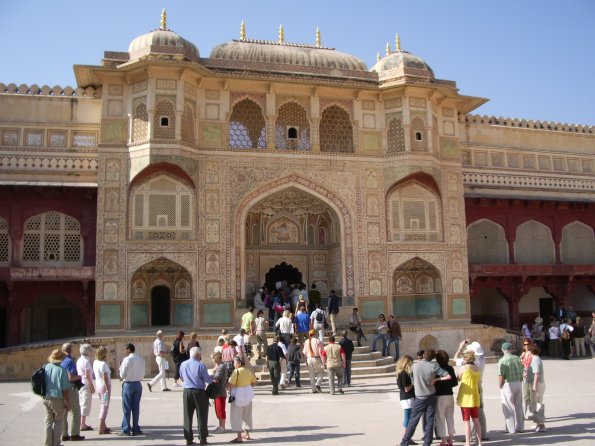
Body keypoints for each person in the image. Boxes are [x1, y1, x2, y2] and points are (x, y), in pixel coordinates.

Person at [399, 349, 452, 446]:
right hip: (431, 395)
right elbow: (448, 376)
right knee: (430, 420)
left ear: (424, 355)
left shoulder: (415, 366)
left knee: (413, 420)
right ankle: (427, 443)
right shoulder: (433, 366)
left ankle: (405, 442)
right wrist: (437, 379)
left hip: (419, 396)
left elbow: (412, 380)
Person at [454, 340, 488, 441]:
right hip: (477, 387)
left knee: (467, 419)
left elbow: (455, 359)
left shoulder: (465, 365)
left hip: (467, 391)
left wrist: (460, 348)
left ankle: (470, 438)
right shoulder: (480, 361)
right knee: (478, 414)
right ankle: (481, 436)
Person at [179, 346, 212, 446]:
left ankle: (188, 439)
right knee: (202, 415)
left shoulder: (183, 364)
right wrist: (213, 378)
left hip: (187, 391)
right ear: (198, 355)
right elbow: (208, 380)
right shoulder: (200, 365)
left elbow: (181, 376)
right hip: (199, 391)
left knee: (187, 415)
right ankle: (202, 438)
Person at [43, 348, 71, 446]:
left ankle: (47, 443)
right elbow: (65, 389)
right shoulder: (62, 370)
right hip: (57, 398)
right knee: (59, 421)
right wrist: (67, 402)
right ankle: (56, 443)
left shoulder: (46, 367)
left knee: (48, 420)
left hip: (46, 397)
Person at [227, 355, 257, 443]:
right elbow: (254, 382)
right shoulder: (248, 371)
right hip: (248, 393)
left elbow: (231, 384)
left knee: (237, 415)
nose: (233, 364)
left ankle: (239, 436)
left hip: (238, 394)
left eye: (234, 362)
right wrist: (248, 387)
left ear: (239, 363)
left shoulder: (236, 371)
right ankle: (247, 433)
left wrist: (227, 386)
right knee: (247, 414)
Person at [118, 342, 146, 436]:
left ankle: (126, 429)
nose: (124, 351)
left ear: (129, 349)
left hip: (128, 384)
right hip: (138, 383)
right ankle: (135, 428)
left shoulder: (127, 359)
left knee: (126, 408)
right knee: (136, 407)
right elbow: (143, 373)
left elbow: (122, 374)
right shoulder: (141, 359)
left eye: (125, 349)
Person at [456, 350, 483, 446]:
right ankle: (480, 442)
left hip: (466, 397)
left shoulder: (464, 368)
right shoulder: (477, 368)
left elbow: (458, 378)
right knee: (476, 419)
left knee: (466, 421)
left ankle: (468, 442)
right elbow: (479, 381)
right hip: (475, 395)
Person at [497, 341, 524, 434]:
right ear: (511, 350)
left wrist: (500, 385)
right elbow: (522, 370)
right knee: (518, 406)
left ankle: (510, 428)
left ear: (503, 350)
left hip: (508, 384)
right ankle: (520, 427)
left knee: (508, 407)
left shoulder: (502, 360)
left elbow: (501, 375)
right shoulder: (517, 358)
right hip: (518, 382)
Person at [60, 342, 84, 442]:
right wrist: (80, 377)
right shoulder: (70, 361)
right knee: (75, 411)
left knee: (64, 411)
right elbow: (71, 377)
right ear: (70, 350)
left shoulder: (61, 361)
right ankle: (74, 434)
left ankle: (64, 434)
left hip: (62, 388)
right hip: (71, 387)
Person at [435, 350, 457, 446]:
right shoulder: (450, 368)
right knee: (450, 418)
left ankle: (443, 440)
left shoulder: (437, 369)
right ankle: (451, 440)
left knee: (440, 419)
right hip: (449, 395)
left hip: (440, 396)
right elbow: (455, 382)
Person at [527, 344, 546, 432]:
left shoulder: (535, 360)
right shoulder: (536, 358)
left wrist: (534, 385)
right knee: (536, 403)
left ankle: (541, 424)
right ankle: (538, 423)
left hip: (538, 383)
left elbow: (536, 374)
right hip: (539, 383)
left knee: (538, 404)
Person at [93, 345, 112, 435]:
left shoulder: (95, 362)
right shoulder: (103, 364)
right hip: (104, 387)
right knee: (104, 407)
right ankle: (101, 427)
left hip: (98, 386)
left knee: (102, 404)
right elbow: (105, 378)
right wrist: (108, 389)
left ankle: (104, 426)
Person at [76, 344, 95, 432]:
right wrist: (92, 386)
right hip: (86, 384)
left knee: (81, 402)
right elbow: (87, 376)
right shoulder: (86, 361)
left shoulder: (79, 360)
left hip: (80, 384)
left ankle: (81, 423)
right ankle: (82, 424)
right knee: (85, 404)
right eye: (90, 351)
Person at [211, 351, 230, 433]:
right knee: (217, 409)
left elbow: (217, 378)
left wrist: (212, 372)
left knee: (221, 409)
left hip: (220, 391)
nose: (212, 360)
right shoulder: (219, 366)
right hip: (217, 391)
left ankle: (222, 427)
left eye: (213, 358)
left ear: (217, 358)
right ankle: (220, 425)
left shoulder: (221, 366)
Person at [396, 355, 415, 429]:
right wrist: (413, 383)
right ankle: (406, 437)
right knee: (408, 417)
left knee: (408, 416)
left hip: (404, 397)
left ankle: (407, 436)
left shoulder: (399, 373)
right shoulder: (404, 374)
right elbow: (407, 388)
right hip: (407, 397)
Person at [303, 329, 324, 393]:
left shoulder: (306, 341)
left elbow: (304, 352)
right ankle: (318, 384)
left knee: (311, 375)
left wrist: (305, 360)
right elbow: (321, 352)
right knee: (320, 371)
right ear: (315, 334)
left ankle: (313, 389)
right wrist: (323, 362)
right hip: (316, 358)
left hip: (309, 358)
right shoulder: (318, 341)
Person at [520, 338, 533, 419]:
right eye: (525, 344)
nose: (526, 346)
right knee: (525, 396)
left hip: (531, 376)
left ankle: (532, 412)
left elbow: (530, 363)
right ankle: (525, 414)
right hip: (524, 376)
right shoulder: (523, 354)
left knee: (532, 396)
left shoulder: (531, 353)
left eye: (528, 344)